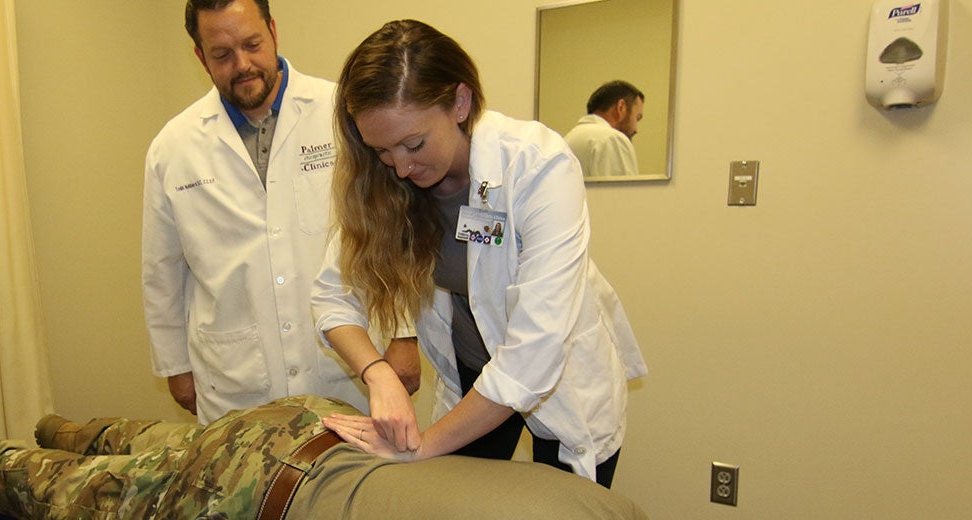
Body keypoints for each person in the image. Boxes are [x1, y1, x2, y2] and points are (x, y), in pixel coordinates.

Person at [311, 20, 648, 487]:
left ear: (460, 102)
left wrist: (422, 446)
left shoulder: (537, 165)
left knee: (569, 505)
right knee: (459, 501)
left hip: (562, 379)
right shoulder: (385, 183)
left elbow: (531, 356)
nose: (401, 167)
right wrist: (378, 374)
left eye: (413, 144)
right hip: (472, 372)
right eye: (382, 151)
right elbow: (331, 298)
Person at [141, 0, 419, 424]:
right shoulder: (172, 148)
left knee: (354, 487)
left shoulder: (341, 111)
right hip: (235, 380)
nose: (243, 64)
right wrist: (175, 368)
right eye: (222, 54)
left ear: (273, 31)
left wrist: (404, 331)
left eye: (253, 44)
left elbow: (392, 223)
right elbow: (162, 270)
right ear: (200, 55)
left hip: (346, 367)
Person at [0, 395, 650, 520]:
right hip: (254, 493)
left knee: (173, 447)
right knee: (89, 498)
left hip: (315, 424)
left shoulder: (615, 508)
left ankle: (72, 427)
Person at [563, 80, 646, 178]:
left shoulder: (569, 139)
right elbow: (623, 192)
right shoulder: (613, 139)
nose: (636, 129)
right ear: (621, 107)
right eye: (637, 117)